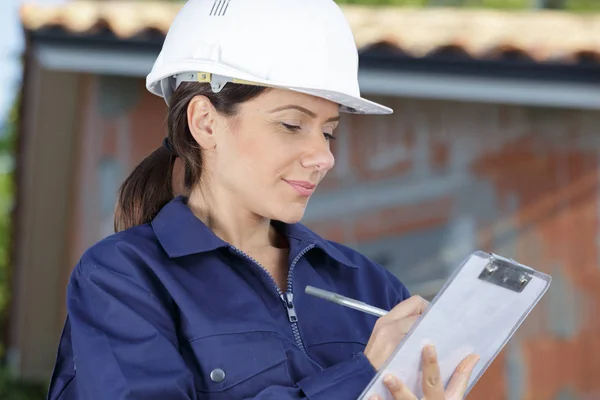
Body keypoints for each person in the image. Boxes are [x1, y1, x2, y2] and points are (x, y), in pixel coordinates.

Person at [46, 0, 479, 399]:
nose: (323, 156)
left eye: (329, 131)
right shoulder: (124, 280)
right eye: (292, 125)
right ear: (205, 123)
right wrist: (361, 375)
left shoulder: (369, 286)